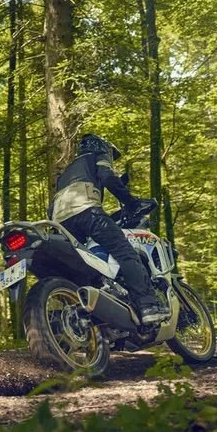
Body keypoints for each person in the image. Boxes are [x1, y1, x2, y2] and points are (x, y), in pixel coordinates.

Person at [48, 134, 168, 323]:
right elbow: (107, 177)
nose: (111, 157)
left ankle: (94, 309)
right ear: (102, 147)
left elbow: (52, 205)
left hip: (60, 222)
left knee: (86, 266)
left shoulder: (65, 174)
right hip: (88, 212)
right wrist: (132, 202)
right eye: (111, 154)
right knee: (126, 253)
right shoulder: (97, 155)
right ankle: (148, 306)